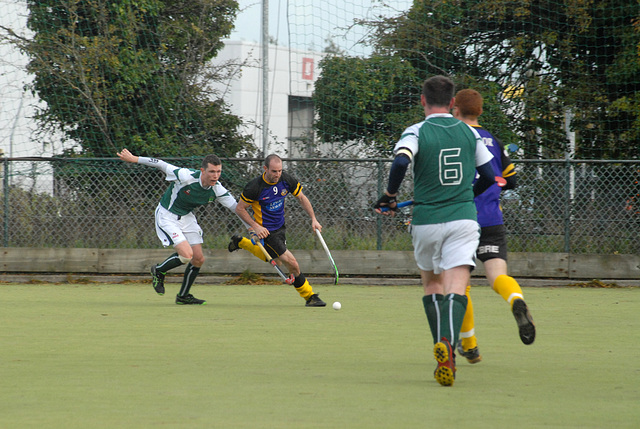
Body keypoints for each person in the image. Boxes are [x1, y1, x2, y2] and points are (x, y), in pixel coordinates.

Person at [374, 75, 495, 387]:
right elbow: (490, 176)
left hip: (426, 220)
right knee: (456, 285)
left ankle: (443, 351)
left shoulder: (416, 130)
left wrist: (389, 196)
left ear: (422, 101)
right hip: (463, 219)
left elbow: (401, 162)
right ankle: (449, 348)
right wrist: (467, 192)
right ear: (452, 103)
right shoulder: (470, 133)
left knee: (432, 286)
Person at [452, 89, 536, 363]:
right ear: (480, 111)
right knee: (497, 275)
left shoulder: (454, 136)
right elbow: (511, 181)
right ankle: (515, 300)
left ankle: (470, 345)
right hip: (491, 219)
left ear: (455, 109)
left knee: (460, 284)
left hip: (461, 218)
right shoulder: (493, 140)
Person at [116, 148, 243, 305]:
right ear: (203, 171)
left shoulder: (217, 188)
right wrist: (135, 159)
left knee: (198, 258)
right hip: (167, 215)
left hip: (186, 217)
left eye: (218, 172)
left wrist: (253, 227)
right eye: (211, 172)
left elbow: (238, 209)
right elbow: (161, 164)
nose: (215, 176)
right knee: (186, 255)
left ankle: (183, 296)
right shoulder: (185, 176)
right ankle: (159, 270)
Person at [230, 154, 327, 307]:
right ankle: (310, 296)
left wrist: (314, 219)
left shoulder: (286, 180)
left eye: (280, 171)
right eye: (274, 171)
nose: (277, 175)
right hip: (266, 232)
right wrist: (255, 226)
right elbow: (240, 209)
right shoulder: (254, 187)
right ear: (265, 169)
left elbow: (301, 197)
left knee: (278, 261)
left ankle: (241, 242)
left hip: (281, 228)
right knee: (292, 263)